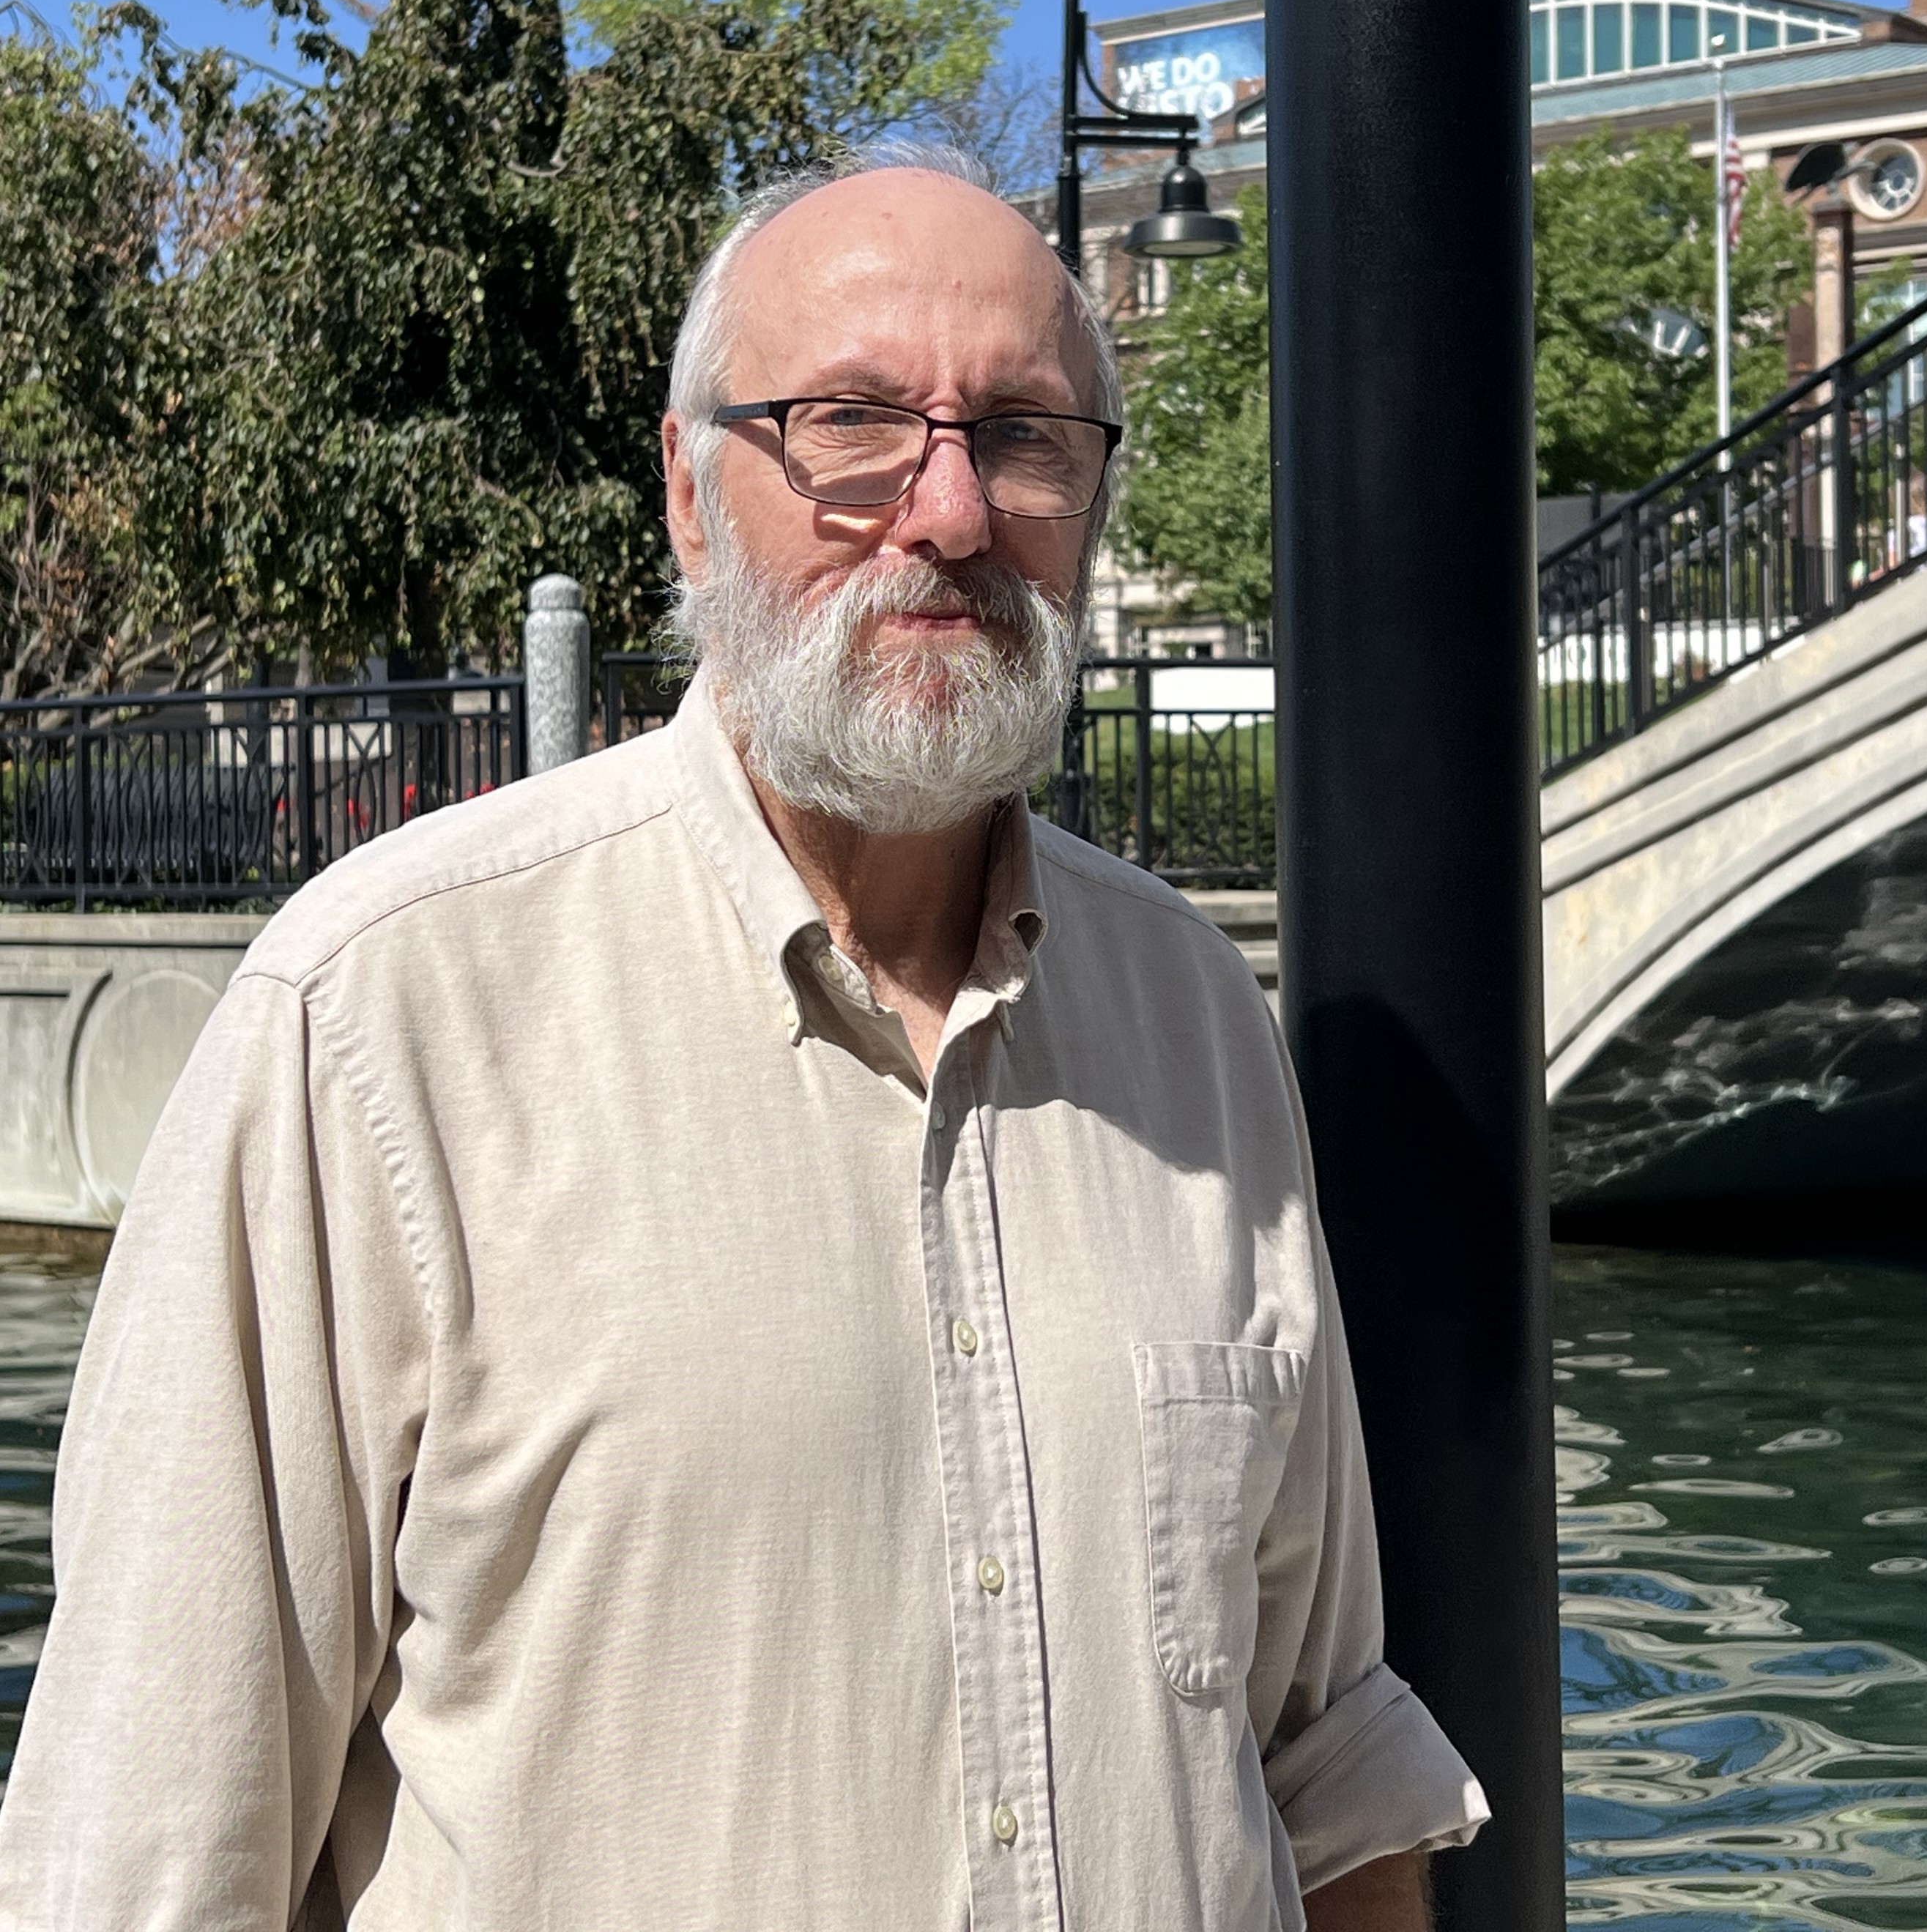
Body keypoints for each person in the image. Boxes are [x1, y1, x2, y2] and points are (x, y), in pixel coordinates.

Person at [0, 144, 1485, 1931]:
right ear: (692, 497)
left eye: (1021, 435)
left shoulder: (1194, 1016)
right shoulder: (382, 1017)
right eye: (850, 423)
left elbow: (1321, 1763)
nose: (949, 512)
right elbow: (148, 1843)